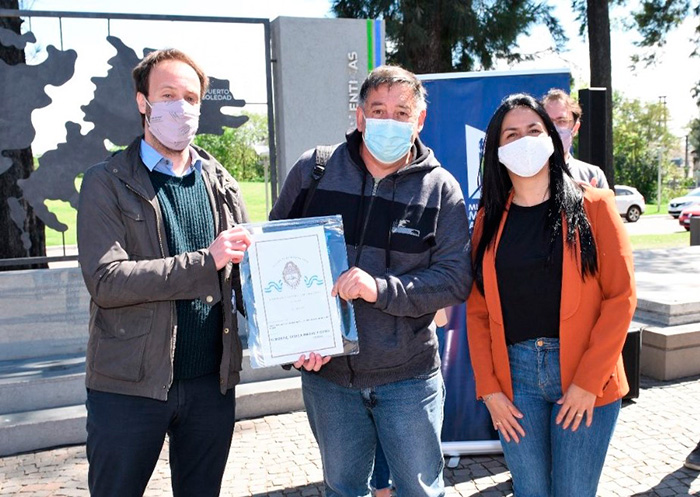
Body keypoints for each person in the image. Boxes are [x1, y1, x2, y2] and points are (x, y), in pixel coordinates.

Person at [270, 65, 471, 497]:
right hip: (329, 380)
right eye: (378, 110)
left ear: (419, 121)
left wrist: (380, 288)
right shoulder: (316, 171)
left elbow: (455, 280)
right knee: (343, 489)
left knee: (421, 491)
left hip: (408, 379)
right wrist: (291, 347)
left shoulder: (441, 189)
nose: (389, 121)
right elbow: (270, 259)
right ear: (360, 118)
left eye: (402, 112)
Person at [77, 48, 252, 497]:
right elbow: (107, 281)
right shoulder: (106, 181)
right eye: (168, 94)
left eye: (190, 97)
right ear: (143, 102)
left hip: (210, 384)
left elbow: (244, 276)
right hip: (130, 386)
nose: (181, 107)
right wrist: (204, 261)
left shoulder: (221, 181)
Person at [466, 93, 636, 497]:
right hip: (515, 378)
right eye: (511, 134)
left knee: (574, 492)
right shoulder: (489, 218)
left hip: (584, 374)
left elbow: (621, 297)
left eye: (533, 130)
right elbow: (476, 309)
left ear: (550, 137)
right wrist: (489, 390)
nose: (524, 140)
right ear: (498, 150)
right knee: (530, 492)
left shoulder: (594, 205)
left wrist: (586, 383)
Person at [542, 88, 609, 189]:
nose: (554, 129)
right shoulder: (527, 175)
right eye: (548, 122)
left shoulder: (593, 175)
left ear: (575, 128)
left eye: (562, 121)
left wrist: (592, 201)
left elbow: (607, 203)